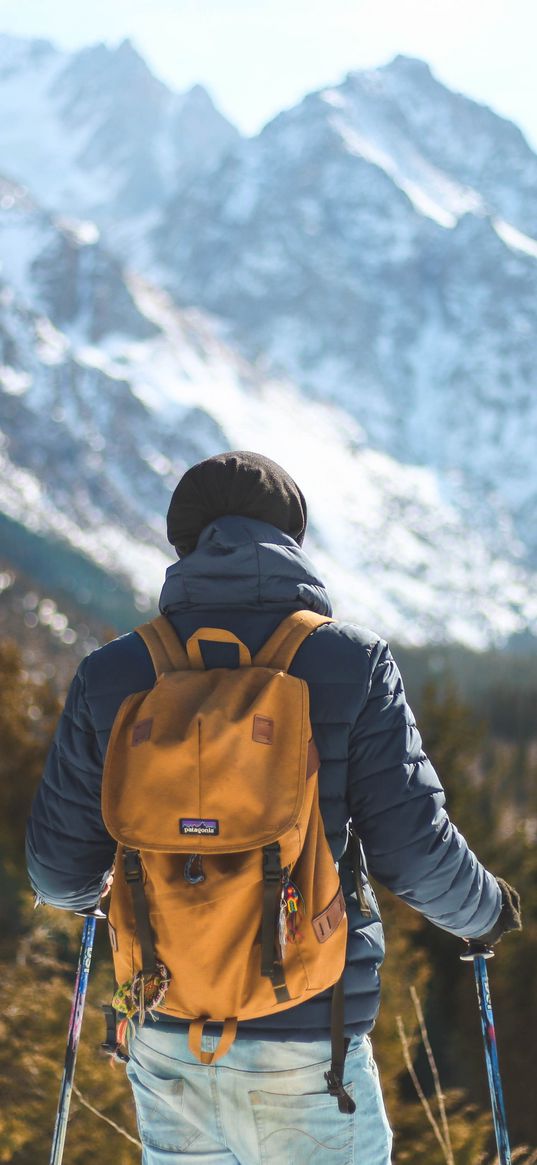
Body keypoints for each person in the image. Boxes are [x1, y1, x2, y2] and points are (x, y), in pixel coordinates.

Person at [26, 450, 521, 1165]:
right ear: (290, 539)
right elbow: (412, 850)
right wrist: (483, 913)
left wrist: (112, 890)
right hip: (308, 1038)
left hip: (168, 1032)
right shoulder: (350, 663)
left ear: (184, 543)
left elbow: (57, 873)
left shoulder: (114, 674)